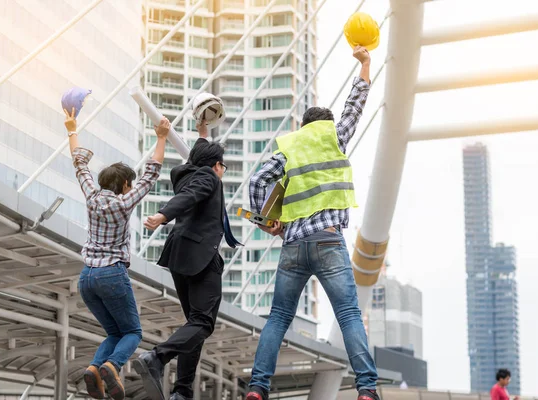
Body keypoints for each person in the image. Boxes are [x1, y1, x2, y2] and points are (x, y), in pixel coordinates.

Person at [244, 45, 378, 400]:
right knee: (348, 314)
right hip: (329, 241)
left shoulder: (291, 148)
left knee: (278, 318)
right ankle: (366, 389)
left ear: (303, 128)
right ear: (326, 127)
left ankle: (257, 388)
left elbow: (257, 182)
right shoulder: (335, 138)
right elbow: (356, 104)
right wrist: (365, 64)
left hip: (293, 245)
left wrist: (266, 221)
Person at [65, 107, 170, 400]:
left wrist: (72, 129)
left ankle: (94, 369)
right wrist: (161, 136)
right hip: (112, 273)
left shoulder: (91, 195)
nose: (132, 187)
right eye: (130, 184)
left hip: (87, 277)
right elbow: (151, 174)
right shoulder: (123, 204)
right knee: (133, 333)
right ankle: (112, 365)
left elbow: (79, 165)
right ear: (125, 185)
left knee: (115, 333)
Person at [133, 120, 230, 400]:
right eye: (222, 164)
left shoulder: (185, 173)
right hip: (202, 257)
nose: (223, 170)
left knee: (194, 325)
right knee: (203, 323)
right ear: (214, 165)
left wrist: (202, 134)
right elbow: (190, 196)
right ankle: (157, 357)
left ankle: (183, 391)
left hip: (179, 254)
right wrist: (164, 214)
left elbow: (194, 170)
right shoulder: (208, 178)